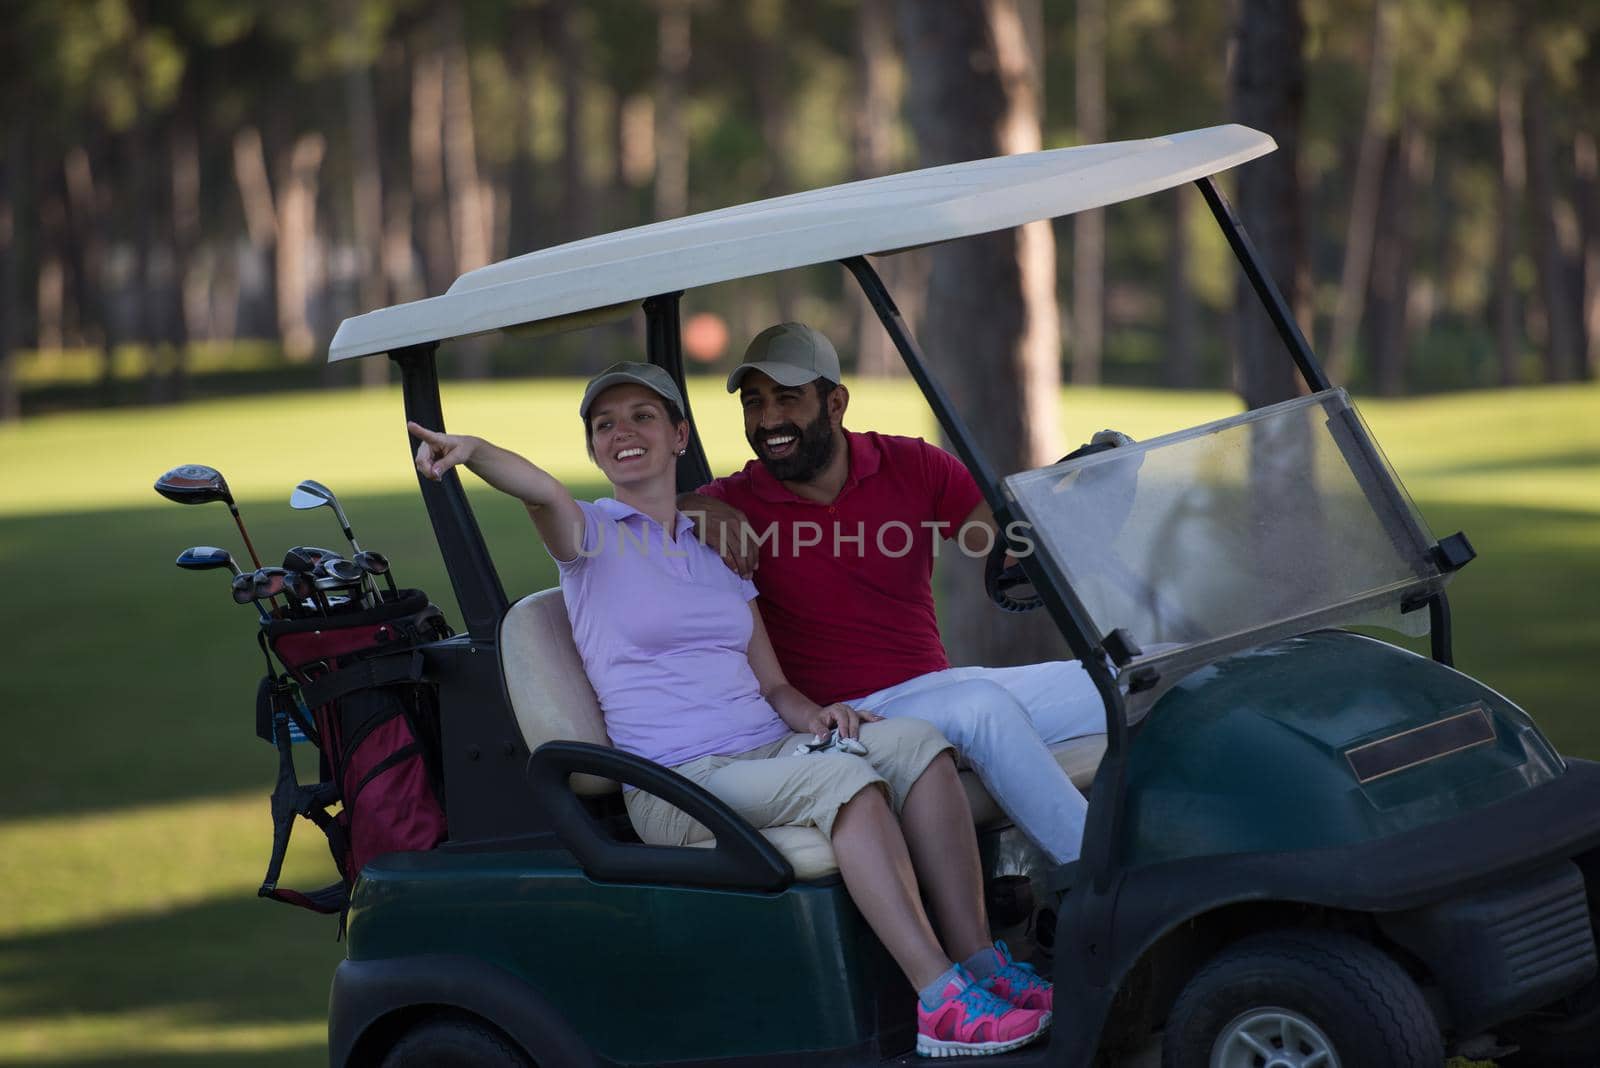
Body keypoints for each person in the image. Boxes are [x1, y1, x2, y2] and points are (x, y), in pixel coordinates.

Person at [407, 362, 1051, 1058]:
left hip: (766, 752)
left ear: (680, 435)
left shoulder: (718, 548)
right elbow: (537, 490)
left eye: (643, 417)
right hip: (680, 782)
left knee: (919, 748)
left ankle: (980, 962)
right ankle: (940, 1002)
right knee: (846, 785)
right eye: (605, 425)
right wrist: (473, 452)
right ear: (595, 448)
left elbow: (773, 686)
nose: (624, 433)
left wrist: (817, 717)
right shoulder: (589, 538)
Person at [688, 323, 1106, 870]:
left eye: (787, 400)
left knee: (1126, 676)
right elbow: (646, 519)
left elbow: (999, 547)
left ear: (835, 402)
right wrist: (692, 503)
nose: (768, 421)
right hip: (850, 718)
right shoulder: (734, 501)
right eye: (754, 404)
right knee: (981, 708)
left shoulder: (912, 464)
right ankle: (1101, 875)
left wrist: (1083, 503)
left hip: (936, 689)